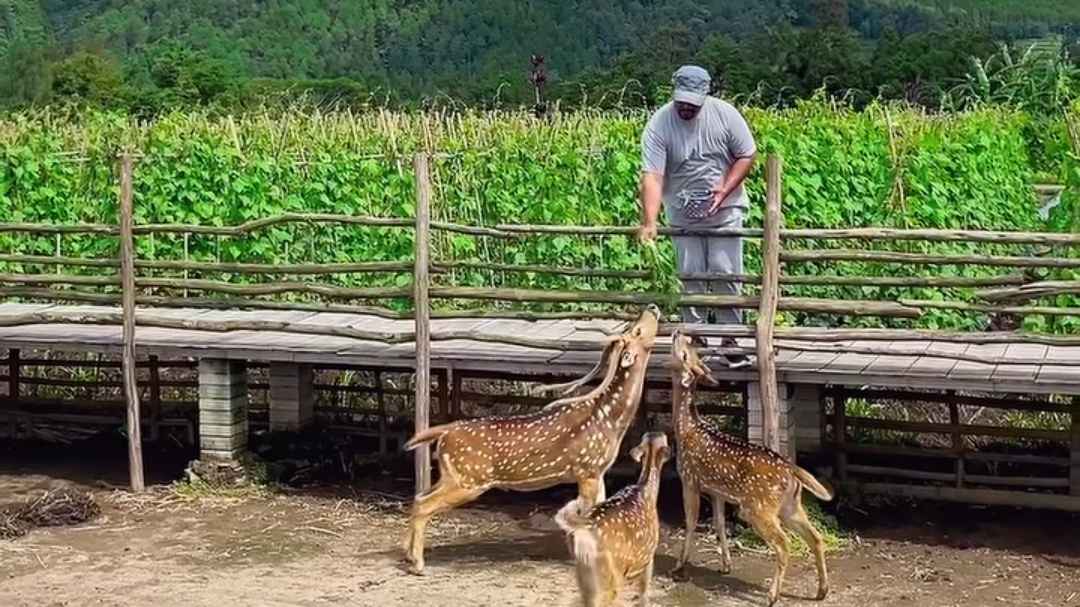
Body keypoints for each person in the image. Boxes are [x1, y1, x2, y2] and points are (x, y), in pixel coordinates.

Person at [637, 65, 757, 369]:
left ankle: (731, 340)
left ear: (705, 96)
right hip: (682, 211)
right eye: (682, 102)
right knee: (690, 275)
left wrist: (725, 188)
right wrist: (649, 222)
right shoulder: (660, 125)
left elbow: (747, 154)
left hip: (725, 209)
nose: (687, 107)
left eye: (693, 102)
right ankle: (696, 337)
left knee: (725, 271)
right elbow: (652, 176)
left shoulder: (725, 116)